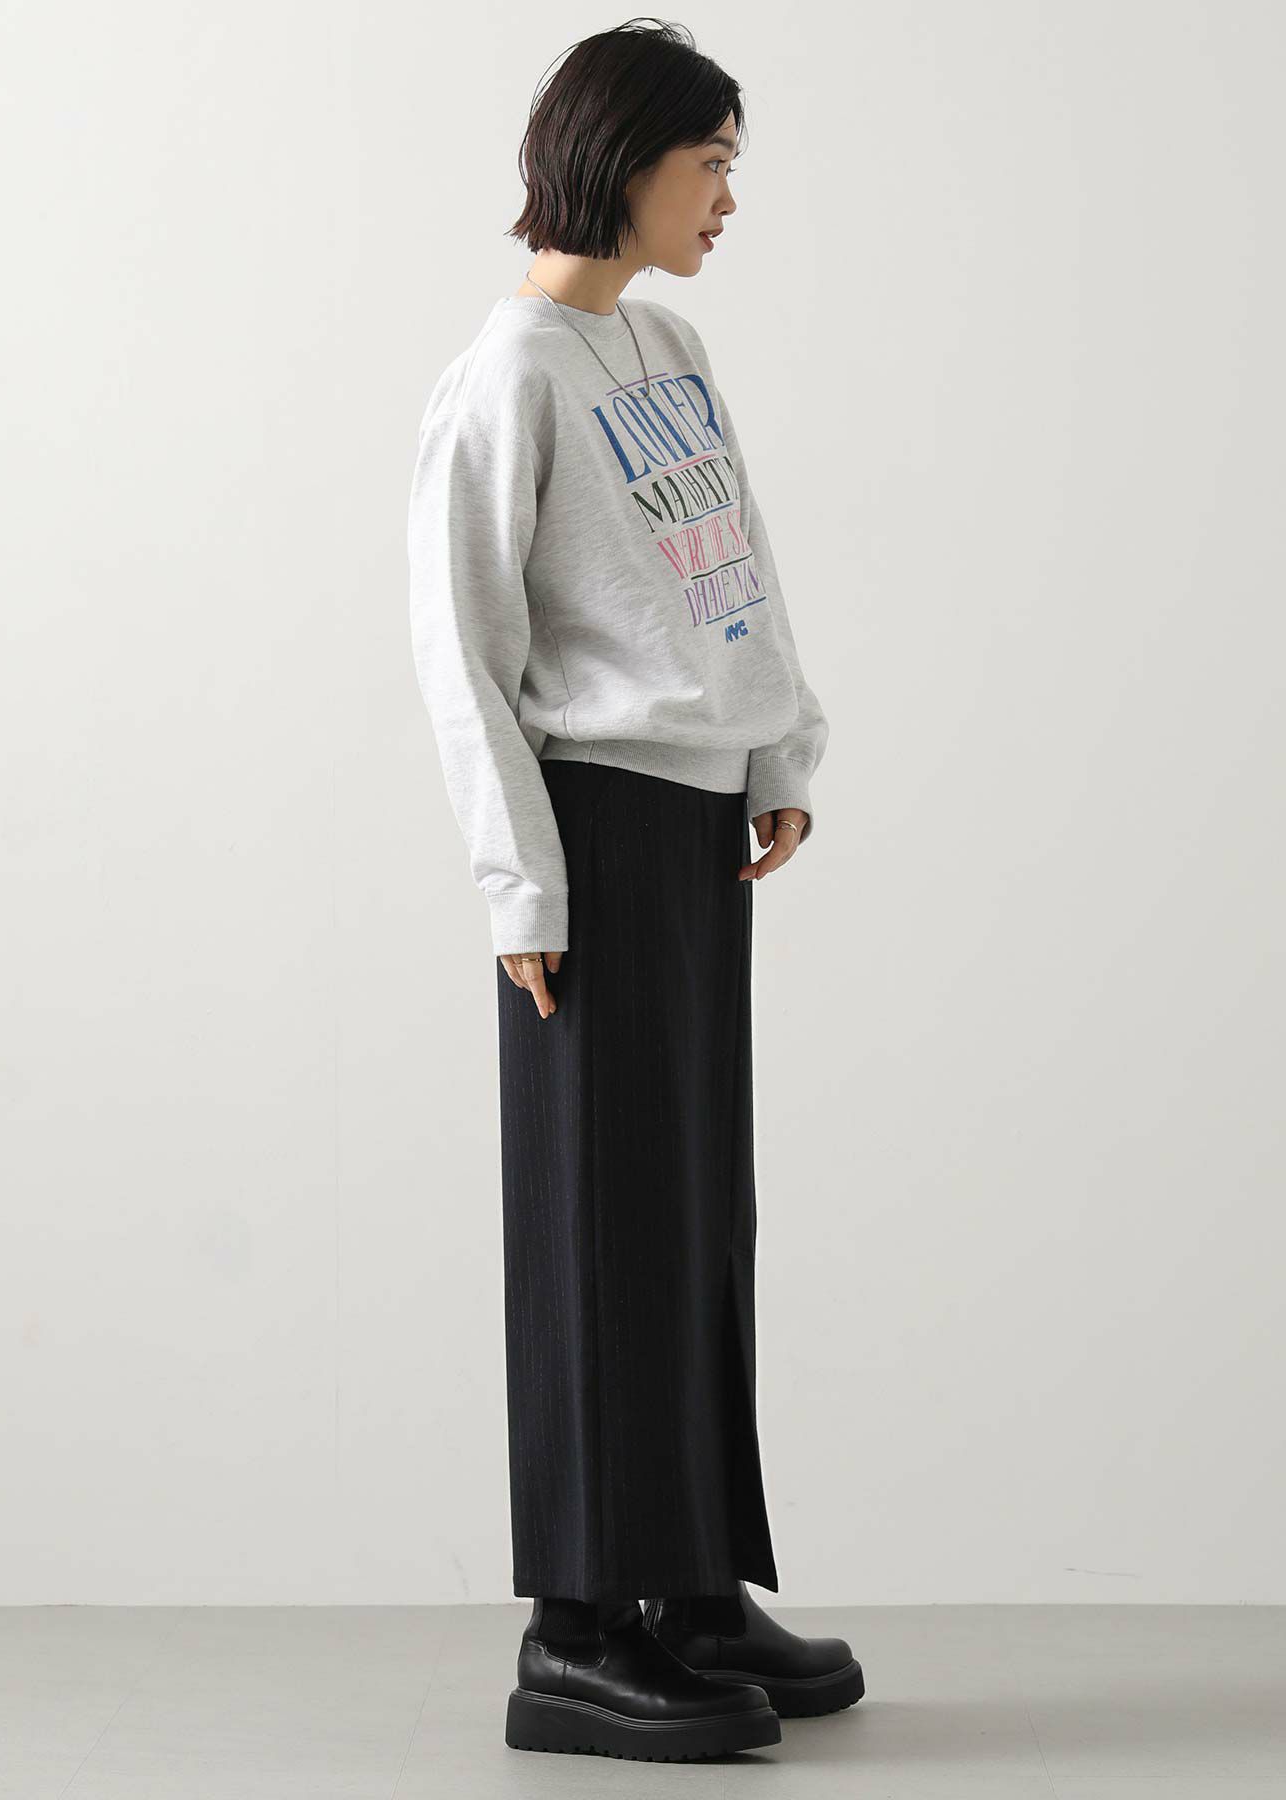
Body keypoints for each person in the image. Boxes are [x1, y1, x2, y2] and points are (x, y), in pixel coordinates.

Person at [406, 20, 861, 1762]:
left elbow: (734, 568)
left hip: (694, 823)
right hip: (588, 831)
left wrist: (783, 744)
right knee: (599, 1220)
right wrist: (520, 885)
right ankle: (576, 1631)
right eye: (713, 163)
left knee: (690, 1211)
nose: (730, 198)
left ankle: (690, 1585)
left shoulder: (665, 347)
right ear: (624, 157)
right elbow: (463, 649)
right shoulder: (509, 374)